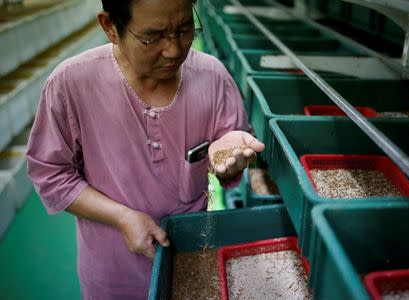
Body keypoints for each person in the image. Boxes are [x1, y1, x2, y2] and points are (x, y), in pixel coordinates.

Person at [26, 0, 265, 298]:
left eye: (184, 29)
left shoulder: (213, 77)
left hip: (190, 256)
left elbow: (230, 153)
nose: (174, 50)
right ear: (110, 27)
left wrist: (227, 153)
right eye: (152, 37)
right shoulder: (70, 85)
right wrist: (122, 217)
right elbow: (51, 175)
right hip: (112, 272)